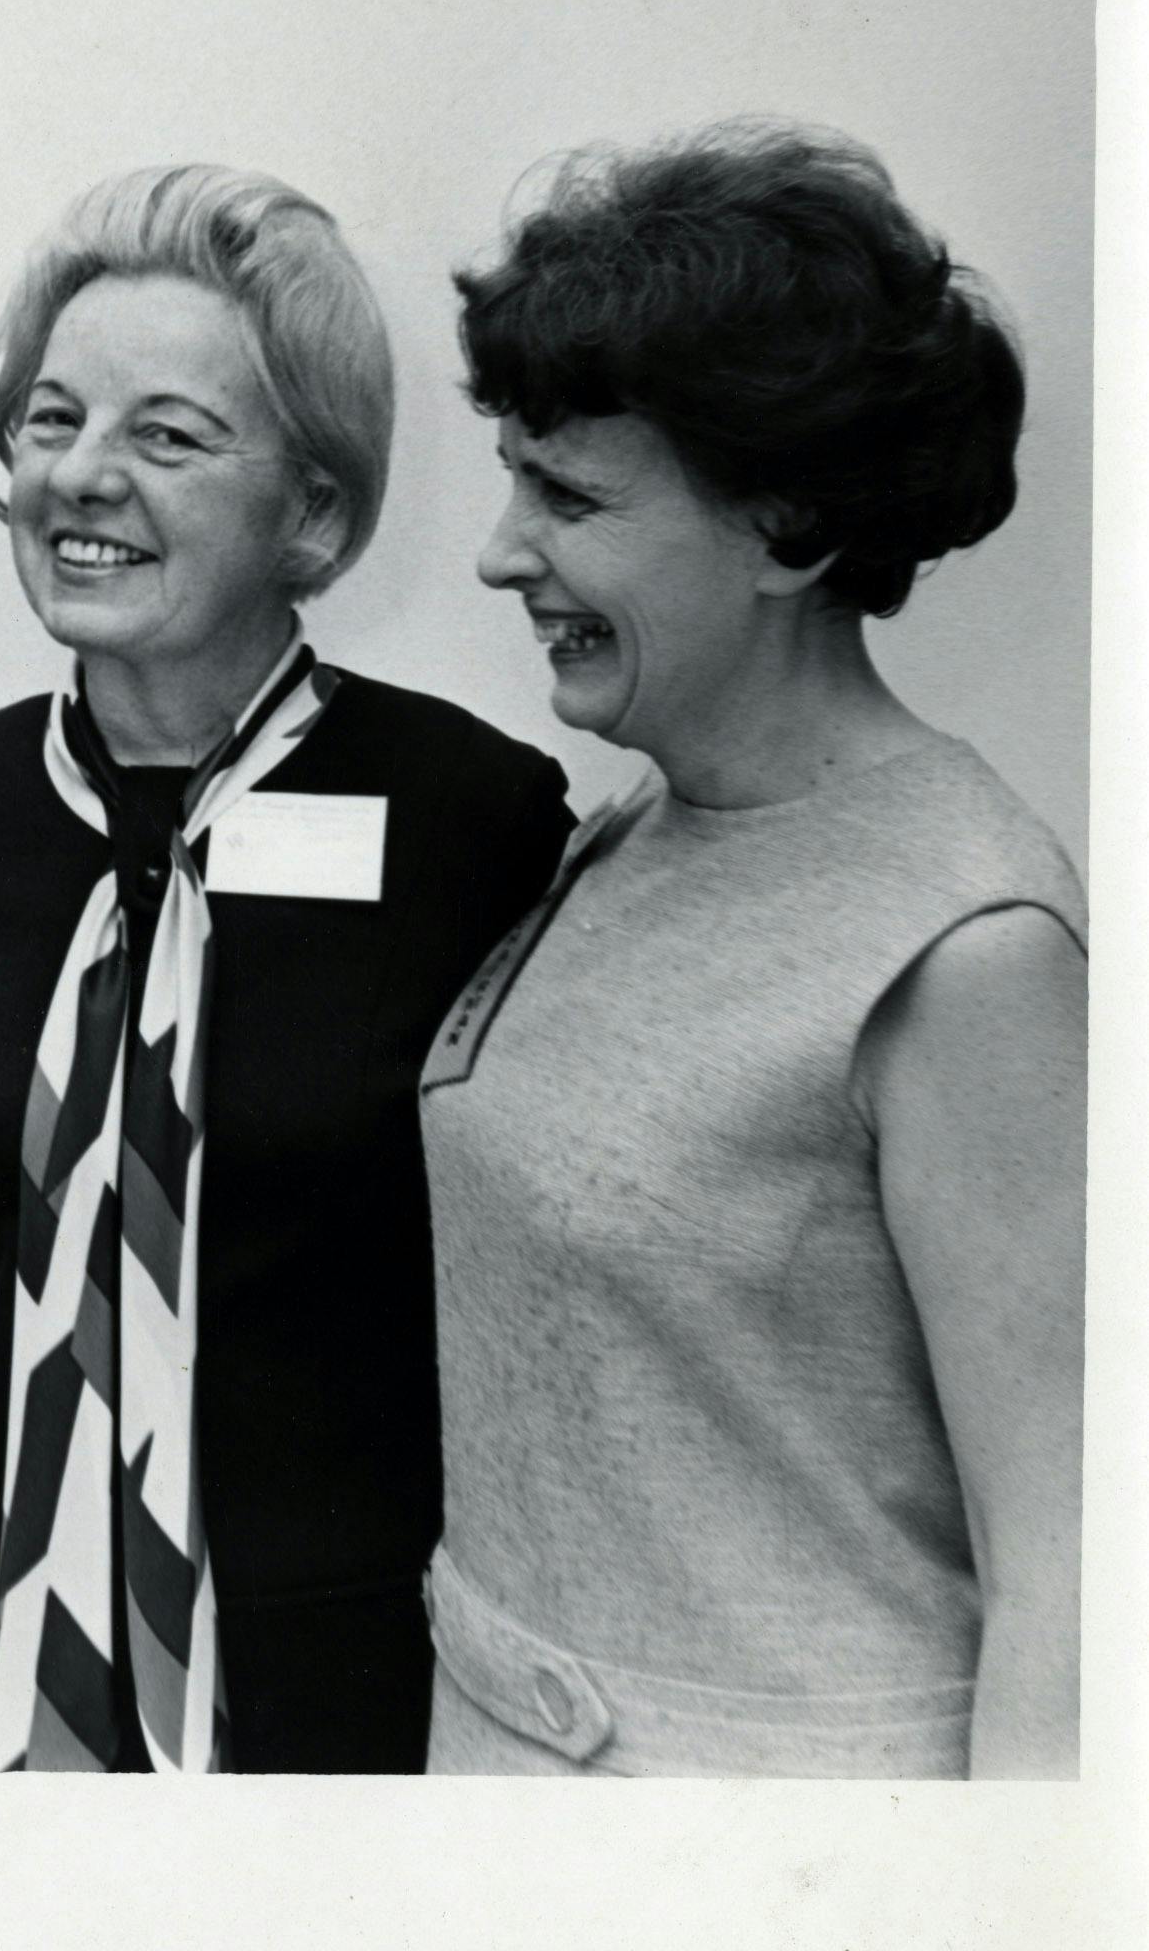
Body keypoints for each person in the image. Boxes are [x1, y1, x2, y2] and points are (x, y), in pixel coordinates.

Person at [0, 165, 572, 1774]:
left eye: (167, 435)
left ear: (315, 513)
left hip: (330, 1690)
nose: (81, 475)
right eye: (50, 419)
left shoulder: (468, 822)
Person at [419, 120, 1084, 1778]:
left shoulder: (970, 949)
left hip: (785, 1861)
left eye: (568, 496)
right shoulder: (630, 829)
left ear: (785, 527)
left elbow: (1071, 1582)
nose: (501, 552)